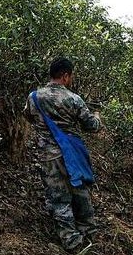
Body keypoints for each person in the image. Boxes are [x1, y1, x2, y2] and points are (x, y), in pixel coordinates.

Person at [23, 57, 103, 251]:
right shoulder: (73, 99)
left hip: (48, 156)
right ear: (65, 76)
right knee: (81, 192)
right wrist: (98, 116)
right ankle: (88, 233)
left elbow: (27, 116)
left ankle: (72, 241)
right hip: (73, 155)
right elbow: (92, 126)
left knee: (58, 198)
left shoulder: (34, 97)